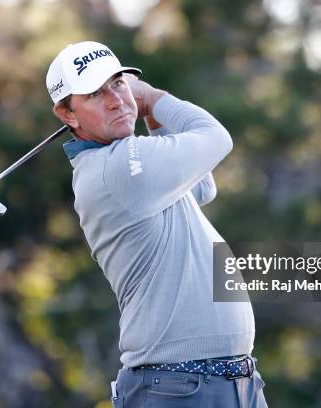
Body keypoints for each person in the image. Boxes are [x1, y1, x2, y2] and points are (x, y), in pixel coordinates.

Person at [46, 41, 268, 407]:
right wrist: (152, 98)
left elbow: (202, 186)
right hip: (178, 386)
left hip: (226, 384)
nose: (117, 100)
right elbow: (216, 137)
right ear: (68, 115)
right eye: (95, 94)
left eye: (118, 83)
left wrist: (149, 115)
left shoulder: (132, 166)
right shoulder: (116, 169)